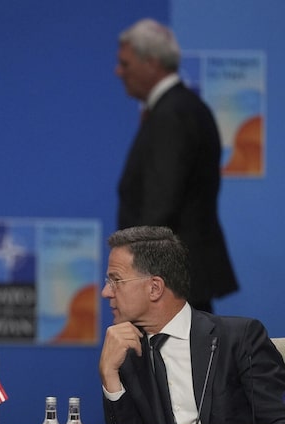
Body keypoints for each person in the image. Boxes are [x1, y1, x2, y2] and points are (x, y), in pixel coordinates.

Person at [99, 226, 285, 424]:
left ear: (154, 288)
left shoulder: (239, 338)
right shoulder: (127, 353)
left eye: (116, 280)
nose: (106, 292)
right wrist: (109, 375)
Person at [114, 18, 237, 312]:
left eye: (125, 64)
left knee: (180, 359)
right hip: (171, 276)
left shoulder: (172, 115)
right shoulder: (182, 108)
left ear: (152, 63)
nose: (118, 72)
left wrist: (132, 277)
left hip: (169, 281)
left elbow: (160, 205)